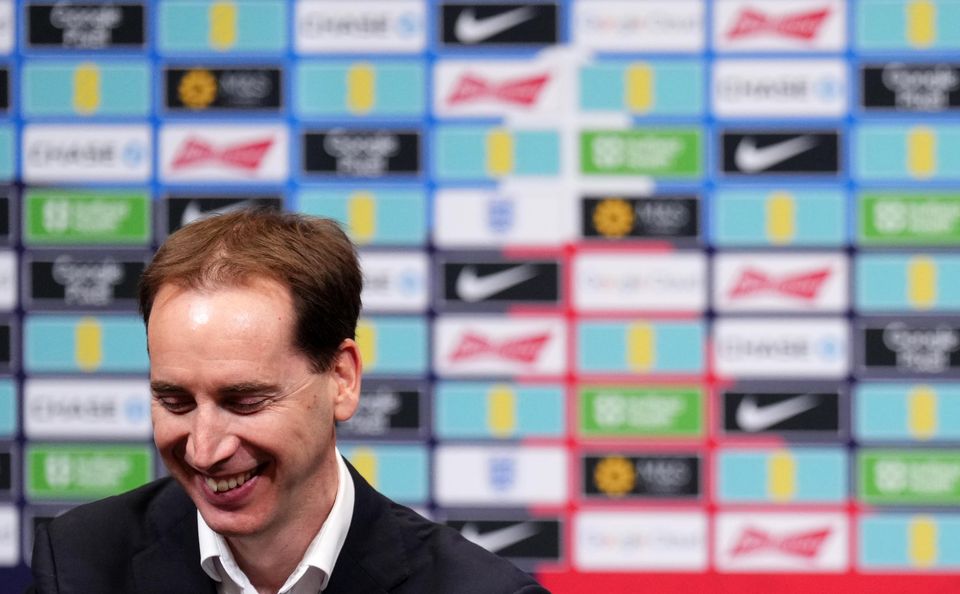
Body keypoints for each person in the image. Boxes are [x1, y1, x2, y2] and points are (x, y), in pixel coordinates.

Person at [28, 210, 549, 594]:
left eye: (245, 401)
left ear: (341, 379)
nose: (205, 450)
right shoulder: (80, 563)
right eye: (176, 401)